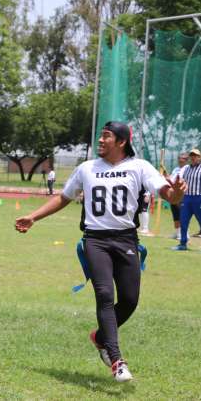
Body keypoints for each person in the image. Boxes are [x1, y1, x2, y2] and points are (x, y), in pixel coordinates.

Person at [14, 121, 185, 382]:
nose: (101, 141)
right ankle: (117, 360)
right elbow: (64, 197)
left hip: (126, 240)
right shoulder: (87, 168)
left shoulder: (139, 166)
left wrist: (175, 195)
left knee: (129, 300)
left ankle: (100, 337)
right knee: (105, 294)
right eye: (101, 136)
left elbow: (166, 192)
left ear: (121, 142)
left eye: (106, 136)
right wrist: (34, 217)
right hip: (95, 240)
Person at [172, 148, 201, 250]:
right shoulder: (186, 168)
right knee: (183, 221)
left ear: (199, 158)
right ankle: (182, 244)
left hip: (199, 198)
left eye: (196, 156)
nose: (193, 158)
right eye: (192, 156)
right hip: (187, 198)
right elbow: (177, 178)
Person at [168, 153, 188, 239]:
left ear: (186, 160)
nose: (180, 160)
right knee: (175, 214)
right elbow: (172, 179)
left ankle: (184, 233)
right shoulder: (176, 169)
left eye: (183, 158)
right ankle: (177, 232)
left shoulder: (187, 169)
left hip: (182, 194)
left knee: (182, 214)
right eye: (179, 158)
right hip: (173, 194)